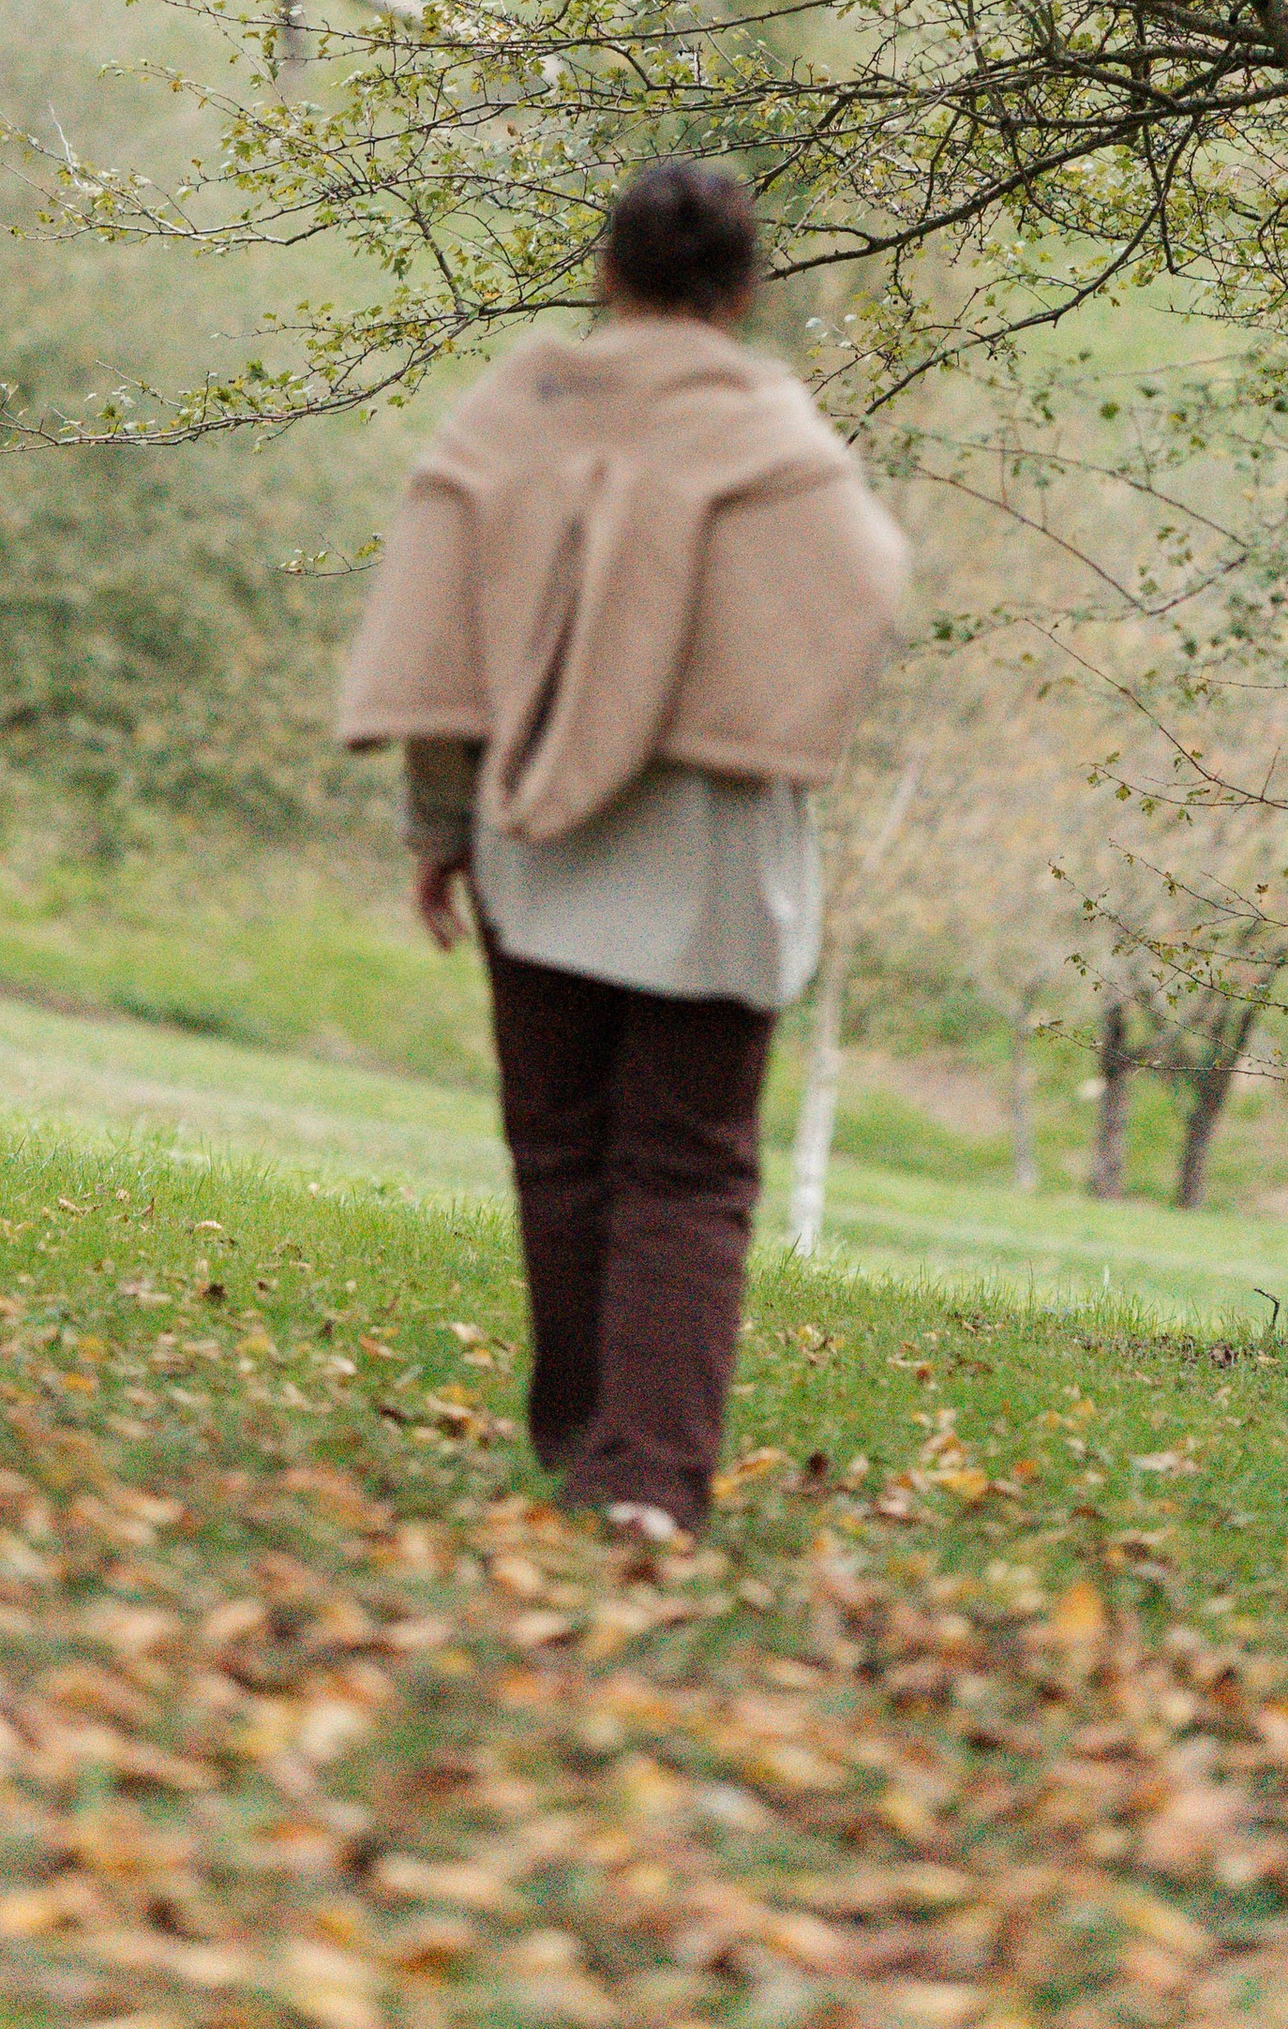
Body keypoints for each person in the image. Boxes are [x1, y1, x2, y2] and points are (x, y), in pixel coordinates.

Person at [337, 159, 909, 1543]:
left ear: (607, 271)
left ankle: (581, 1437)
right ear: (746, 288)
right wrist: (744, 708)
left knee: (563, 1150)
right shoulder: (779, 434)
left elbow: (440, 627)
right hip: (714, 844)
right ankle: (646, 1481)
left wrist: (439, 829)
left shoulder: (517, 414)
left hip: (536, 833)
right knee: (690, 1167)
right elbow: (869, 587)